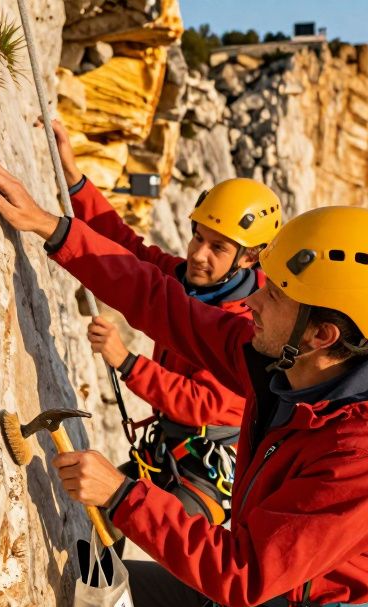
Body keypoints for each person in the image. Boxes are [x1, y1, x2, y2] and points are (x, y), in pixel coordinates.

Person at [0, 149, 368, 607]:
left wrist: (122, 495)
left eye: (276, 294)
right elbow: (166, 307)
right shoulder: (294, 369)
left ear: (321, 333)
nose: (255, 301)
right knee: (117, 599)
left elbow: (240, 572)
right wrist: (52, 227)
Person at [46, 121, 283, 525]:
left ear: (249, 258)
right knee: (87, 519)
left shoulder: (253, 326)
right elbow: (127, 250)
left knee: (157, 539)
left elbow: (204, 403)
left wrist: (127, 362)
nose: (199, 254)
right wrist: (74, 178)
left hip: (206, 469)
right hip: (167, 448)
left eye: (217, 247)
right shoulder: (189, 280)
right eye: (197, 238)